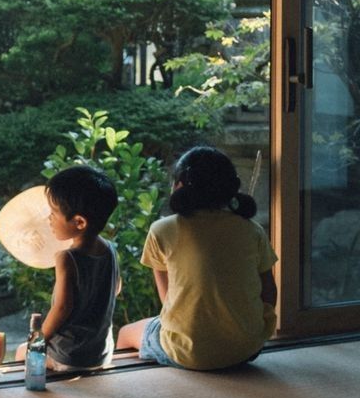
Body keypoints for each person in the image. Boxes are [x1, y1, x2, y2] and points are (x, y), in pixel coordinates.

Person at [117, 146, 278, 371]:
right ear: (231, 186)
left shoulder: (162, 230)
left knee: (126, 333)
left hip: (189, 352)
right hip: (247, 347)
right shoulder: (252, 229)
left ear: (179, 184)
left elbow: (168, 301)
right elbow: (269, 291)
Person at [15, 165, 121, 370]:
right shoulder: (110, 249)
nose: (49, 219)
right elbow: (116, 288)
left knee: (21, 351)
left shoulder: (67, 258)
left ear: (79, 222)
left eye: (54, 213)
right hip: (101, 353)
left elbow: (62, 308)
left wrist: (40, 339)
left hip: (69, 357)